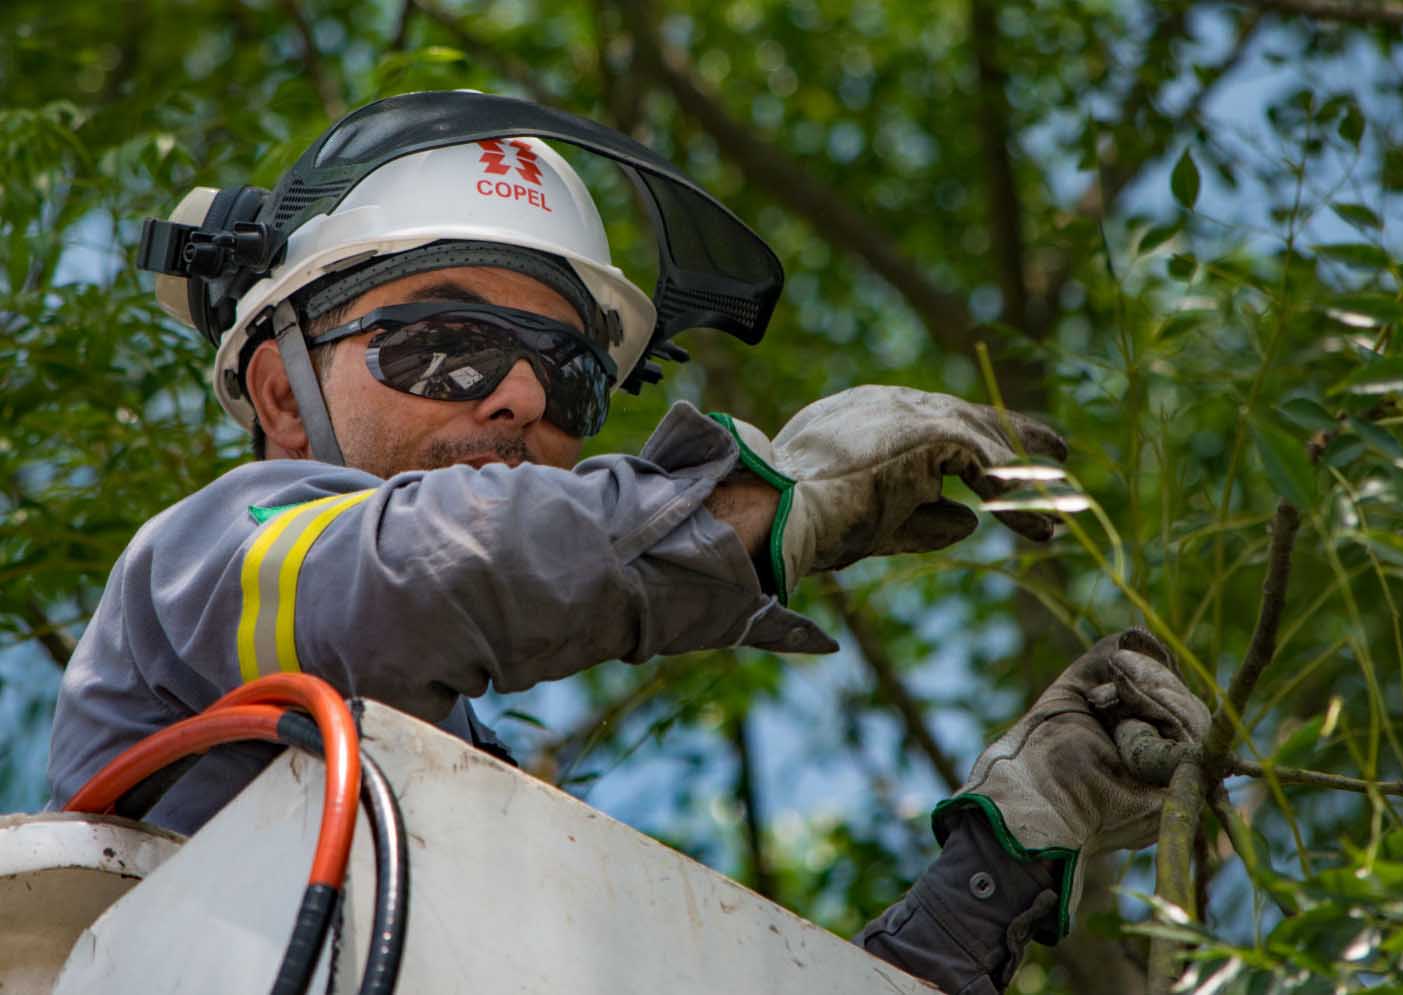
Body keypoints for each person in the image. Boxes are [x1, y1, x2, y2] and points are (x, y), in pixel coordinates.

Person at [45, 91, 1208, 993]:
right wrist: (756, 508)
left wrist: (993, 869)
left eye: (567, 375)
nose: (516, 397)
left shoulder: (494, 828)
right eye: (447, 344)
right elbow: (422, 570)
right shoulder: (206, 562)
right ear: (281, 395)